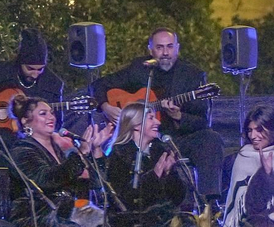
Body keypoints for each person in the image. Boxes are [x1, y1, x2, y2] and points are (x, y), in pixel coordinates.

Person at [93, 28, 224, 203]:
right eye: (160, 47)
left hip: (175, 140)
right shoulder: (140, 69)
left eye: (170, 47)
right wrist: (106, 107)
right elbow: (99, 85)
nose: (165, 53)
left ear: (177, 48)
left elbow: (202, 121)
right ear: (151, 50)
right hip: (141, 140)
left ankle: (210, 202)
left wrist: (178, 116)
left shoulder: (192, 75)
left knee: (211, 139)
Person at [7, 94, 112, 227]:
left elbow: (96, 183)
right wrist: (81, 152)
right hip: (36, 213)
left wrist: (96, 151)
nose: (51, 117)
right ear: (25, 121)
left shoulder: (59, 149)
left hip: (65, 209)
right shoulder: (22, 149)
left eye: (51, 112)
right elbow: (47, 179)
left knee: (104, 222)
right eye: (43, 114)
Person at [104, 101, 189, 227]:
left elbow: (177, 197)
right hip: (134, 221)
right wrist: (154, 176)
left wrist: (168, 174)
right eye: (151, 118)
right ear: (136, 125)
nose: (158, 122)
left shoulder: (159, 151)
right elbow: (123, 199)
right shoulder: (119, 154)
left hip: (163, 216)